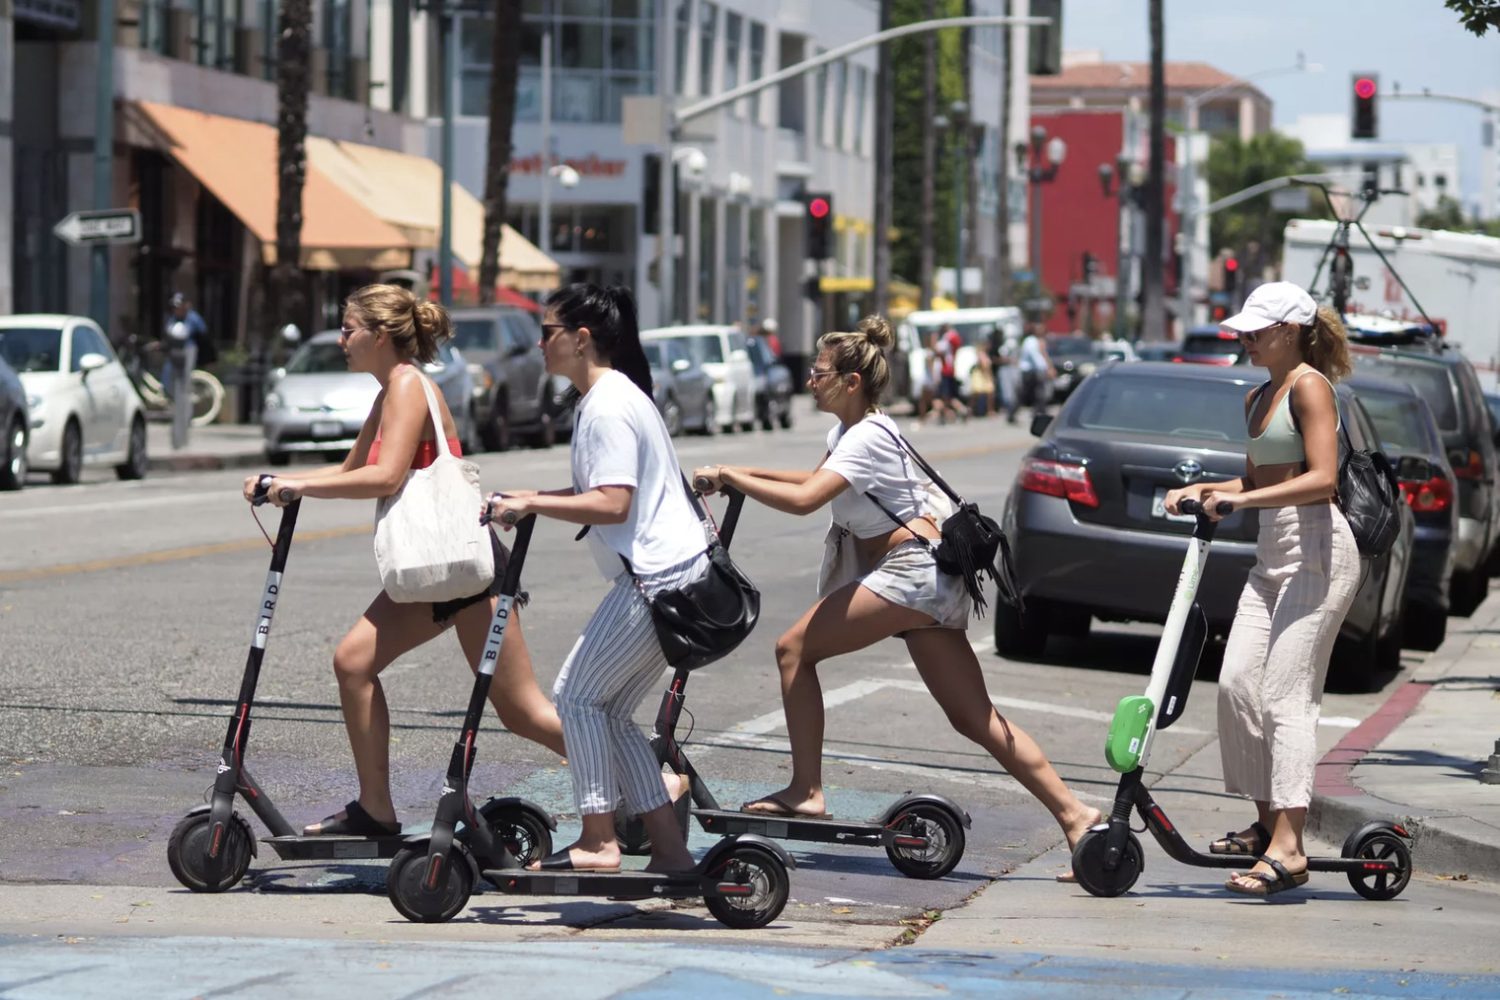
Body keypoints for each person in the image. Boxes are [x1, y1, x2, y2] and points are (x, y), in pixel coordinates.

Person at [692, 315, 1100, 878]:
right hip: (926, 576)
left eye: (819, 372)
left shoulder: (866, 437)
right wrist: (733, 470)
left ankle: (807, 789)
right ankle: (1077, 815)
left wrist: (732, 479)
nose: (810, 380)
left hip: (912, 573)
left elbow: (807, 498)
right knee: (974, 718)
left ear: (851, 381)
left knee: (793, 650)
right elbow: (811, 476)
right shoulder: (853, 434)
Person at [247, 284, 568, 836]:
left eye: (350, 329)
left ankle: (650, 778)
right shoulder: (388, 390)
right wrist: (282, 482)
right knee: (353, 662)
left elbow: (387, 475)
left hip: (465, 568)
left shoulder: (408, 387)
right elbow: (350, 472)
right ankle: (375, 810)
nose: (342, 339)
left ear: (381, 335)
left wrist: (297, 487)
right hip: (431, 571)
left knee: (523, 712)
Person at [483, 284, 701, 875]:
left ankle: (599, 839)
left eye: (549, 330)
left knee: (575, 696)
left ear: (581, 340)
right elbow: (596, 495)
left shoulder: (607, 404)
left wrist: (533, 505)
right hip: (671, 578)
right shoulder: (605, 398)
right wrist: (528, 498)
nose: (540, 341)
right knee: (607, 712)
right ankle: (671, 852)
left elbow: (611, 504)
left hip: (658, 581)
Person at [1163, 282, 1359, 898]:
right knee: (1236, 685)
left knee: (1285, 697)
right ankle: (1266, 821)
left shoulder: (1308, 386)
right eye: (1242, 330)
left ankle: (1291, 847)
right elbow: (1257, 478)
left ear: (1291, 330)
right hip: (1271, 552)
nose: (1244, 338)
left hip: (1319, 551)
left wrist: (1241, 499)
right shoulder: (1258, 395)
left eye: (1255, 330)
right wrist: (1203, 491)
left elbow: (1323, 480)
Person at [1008, 321, 1055, 425]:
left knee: (1040, 393)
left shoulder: (1037, 341)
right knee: (1023, 394)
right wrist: (1046, 369)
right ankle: (1011, 414)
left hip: (1034, 371)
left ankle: (1040, 413)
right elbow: (1035, 357)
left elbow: (1043, 355)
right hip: (1029, 372)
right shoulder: (1030, 341)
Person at [162, 292, 208, 396]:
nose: (177, 310)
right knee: (168, 372)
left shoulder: (193, 318)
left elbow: (203, 334)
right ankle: (169, 394)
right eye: (175, 307)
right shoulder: (173, 319)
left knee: (186, 374)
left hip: (189, 349)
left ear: (186, 305)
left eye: (179, 306)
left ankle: (187, 393)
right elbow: (168, 333)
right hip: (175, 351)